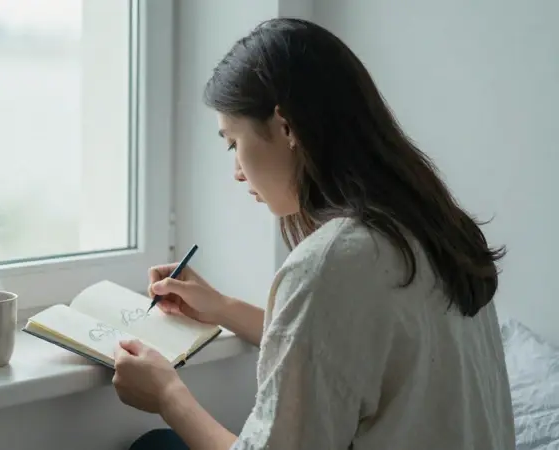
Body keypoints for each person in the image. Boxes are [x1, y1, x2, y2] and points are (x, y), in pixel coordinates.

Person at [111, 17, 516, 450]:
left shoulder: (333, 260)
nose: (235, 171)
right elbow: (349, 345)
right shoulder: (435, 226)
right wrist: (222, 308)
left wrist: (168, 395)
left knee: (155, 444)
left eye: (233, 143)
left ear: (286, 127)